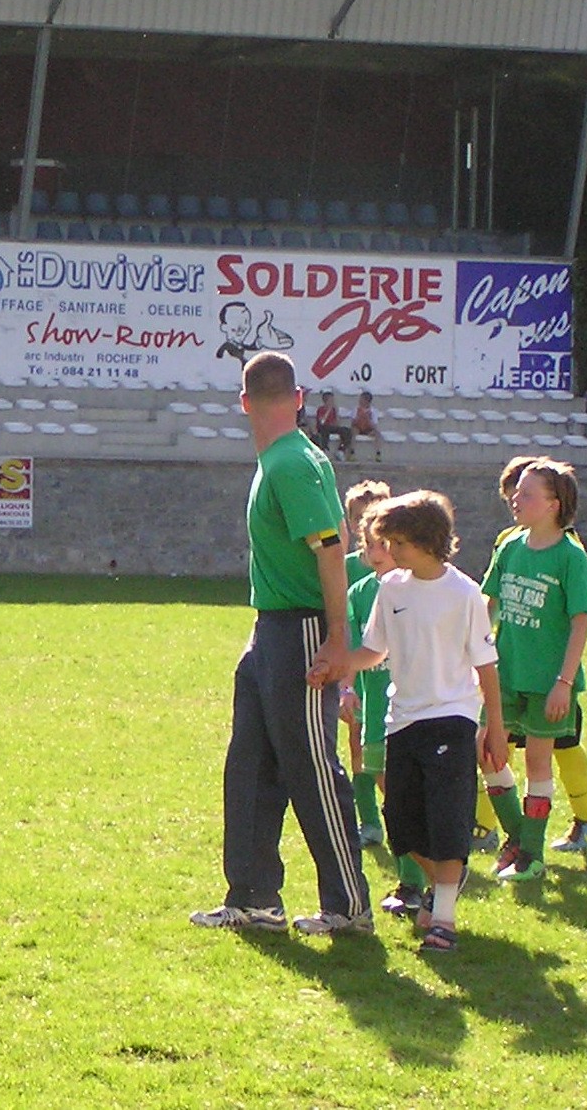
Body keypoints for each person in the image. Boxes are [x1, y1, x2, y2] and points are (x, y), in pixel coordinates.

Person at [192, 351, 372, 935]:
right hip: (272, 628)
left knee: (312, 766)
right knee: (250, 762)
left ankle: (348, 906)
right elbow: (337, 541)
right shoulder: (284, 458)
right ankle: (254, 898)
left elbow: (331, 551)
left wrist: (337, 639)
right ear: (298, 398)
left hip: (301, 629)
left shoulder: (292, 462)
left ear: (244, 402)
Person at [351, 490, 510, 952]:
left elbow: (486, 665)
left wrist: (494, 727)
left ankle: (443, 920)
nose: (389, 551)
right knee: (400, 824)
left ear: (425, 541)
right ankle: (447, 883)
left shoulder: (465, 594)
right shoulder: (390, 589)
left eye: (397, 542)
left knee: (446, 820)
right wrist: (337, 665)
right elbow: (373, 650)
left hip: (452, 719)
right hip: (401, 720)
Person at [482, 457, 587, 858]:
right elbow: (489, 603)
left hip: (548, 680)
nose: (516, 499)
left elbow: (580, 622)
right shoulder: (509, 546)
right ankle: (519, 837)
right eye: (516, 492)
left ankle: (529, 853)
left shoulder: (571, 557)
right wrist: (472, 652)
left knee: (538, 761)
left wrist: (563, 683)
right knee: (486, 749)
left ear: (554, 505)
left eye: (527, 494)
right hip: (506, 673)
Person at [343, 504, 433, 917]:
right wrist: (345, 686)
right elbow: (354, 647)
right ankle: (423, 877)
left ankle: (417, 881)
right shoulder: (361, 593)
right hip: (377, 709)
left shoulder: (422, 589)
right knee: (392, 797)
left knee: (406, 799)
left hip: (415, 713)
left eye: (384, 544)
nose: (375, 552)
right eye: (369, 544)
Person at [338, 479, 391, 846]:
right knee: (358, 742)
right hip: (358, 670)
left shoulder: (403, 571)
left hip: (393, 673)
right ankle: (369, 820)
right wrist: (345, 683)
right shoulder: (347, 570)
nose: (365, 524)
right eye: (358, 517)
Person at [315, 390, 354, 459]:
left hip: (332, 427)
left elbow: (337, 423)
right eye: (331, 400)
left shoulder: (333, 410)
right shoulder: (321, 409)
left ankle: (341, 450)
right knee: (325, 429)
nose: (333, 402)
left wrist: (336, 413)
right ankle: (324, 449)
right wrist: (328, 411)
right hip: (323, 427)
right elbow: (322, 422)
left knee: (346, 430)